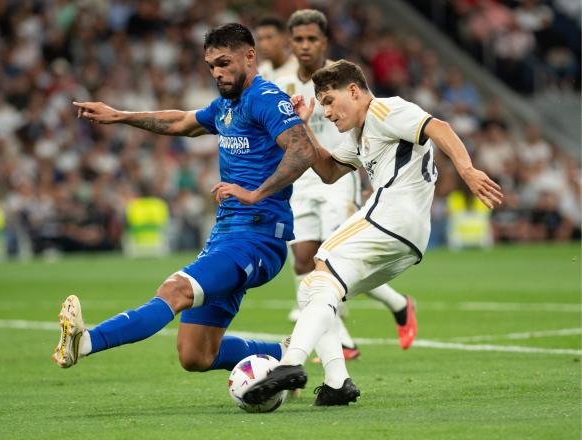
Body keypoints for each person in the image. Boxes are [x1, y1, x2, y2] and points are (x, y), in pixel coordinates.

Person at [52, 23, 318, 375]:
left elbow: (303, 150)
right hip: (226, 236)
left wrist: (255, 193)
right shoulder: (227, 105)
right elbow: (182, 121)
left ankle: (85, 342)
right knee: (196, 355)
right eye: (211, 66)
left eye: (224, 62)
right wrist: (120, 115)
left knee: (175, 290)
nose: (217, 72)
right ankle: (285, 355)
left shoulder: (266, 99)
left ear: (249, 56)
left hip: (258, 238)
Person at [238, 60, 503, 406]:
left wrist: (466, 169)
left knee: (320, 263)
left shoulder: (384, 109)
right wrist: (303, 128)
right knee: (316, 291)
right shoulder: (360, 135)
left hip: (391, 216)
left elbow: (438, 126)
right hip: (409, 237)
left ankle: (290, 365)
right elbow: (330, 171)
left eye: (330, 101)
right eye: (322, 105)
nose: (327, 112)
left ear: (353, 90)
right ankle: (337, 383)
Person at [272, 9, 417, 359]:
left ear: (324, 41)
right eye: (298, 40)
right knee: (303, 260)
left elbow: (366, 124)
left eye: (312, 39)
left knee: (335, 258)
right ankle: (395, 305)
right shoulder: (279, 81)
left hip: (338, 178)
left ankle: (337, 341)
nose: (305, 46)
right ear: (290, 44)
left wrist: (370, 173)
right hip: (302, 182)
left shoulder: (340, 76)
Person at [255, 17, 298, 83]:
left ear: (284, 38)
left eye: (269, 37)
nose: (263, 44)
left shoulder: (298, 69)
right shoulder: (261, 71)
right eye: (260, 39)